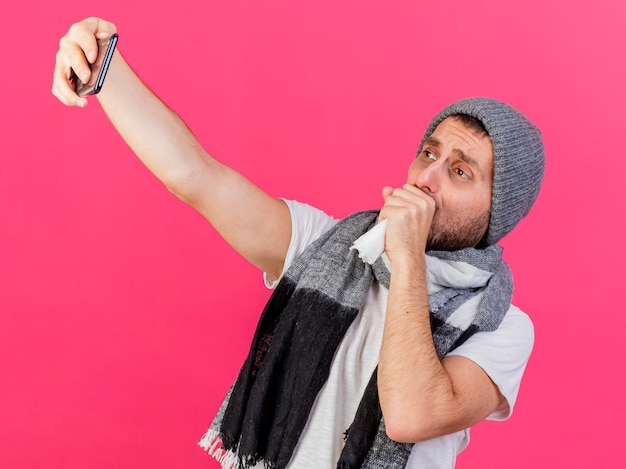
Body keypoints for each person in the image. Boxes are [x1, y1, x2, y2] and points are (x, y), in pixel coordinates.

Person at [52, 17, 545, 469]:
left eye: (459, 171)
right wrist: (104, 68)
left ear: (496, 211)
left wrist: (408, 258)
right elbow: (194, 176)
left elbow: (410, 415)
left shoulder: (500, 326)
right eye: (428, 152)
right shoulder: (328, 245)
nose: (426, 178)